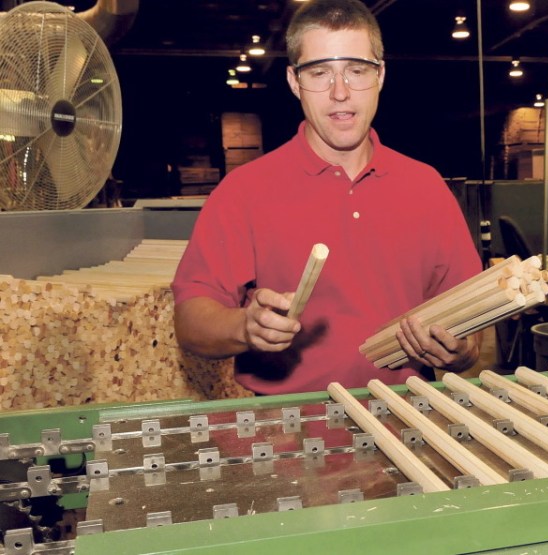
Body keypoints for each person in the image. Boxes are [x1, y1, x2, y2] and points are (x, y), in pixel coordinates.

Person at [171, 0, 482, 396]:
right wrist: (244, 326)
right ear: (293, 81)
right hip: (286, 432)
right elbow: (191, 321)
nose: (340, 92)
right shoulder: (245, 191)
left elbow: (472, 326)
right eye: (320, 73)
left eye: (357, 71)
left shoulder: (426, 187)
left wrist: (460, 352)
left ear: (381, 75)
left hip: (407, 423)